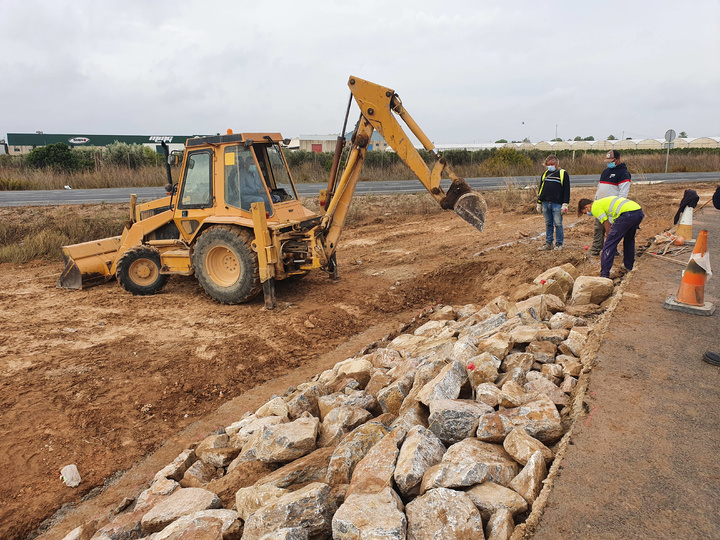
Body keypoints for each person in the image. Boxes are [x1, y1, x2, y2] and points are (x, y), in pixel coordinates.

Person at [577, 196, 644, 278]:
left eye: (585, 212)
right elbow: (612, 221)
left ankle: (604, 274)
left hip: (627, 214)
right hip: (638, 212)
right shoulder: (602, 202)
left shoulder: (594, 207)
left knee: (609, 245)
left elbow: (606, 224)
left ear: (587, 207)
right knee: (629, 240)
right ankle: (629, 266)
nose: (587, 214)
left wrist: (610, 237)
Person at [591, 150, 631, 256]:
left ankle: (612, 250)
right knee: (598, 228)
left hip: (612, 208)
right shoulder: (605, 172)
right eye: (607, 161)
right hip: (600, 206)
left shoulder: (623, 173)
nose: (608, 163)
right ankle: (596, 248)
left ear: (617, 159)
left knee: (612, 230)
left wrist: (617, 208)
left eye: (611, 161)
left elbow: (623, 193)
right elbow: (599, 188)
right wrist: (595, 201)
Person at [536, 154, 570, 251]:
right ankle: (548, 243)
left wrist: (565, 204)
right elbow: (541, 189)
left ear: (556, 164)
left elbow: (566, 190)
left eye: (552, 164)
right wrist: (539, 202)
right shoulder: (545, 174)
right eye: (548, 164)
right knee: (548, 223)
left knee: (558, 223)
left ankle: (559, 244)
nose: (550, 166)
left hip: (557, 203)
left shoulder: (563, 174)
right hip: (546, 203)